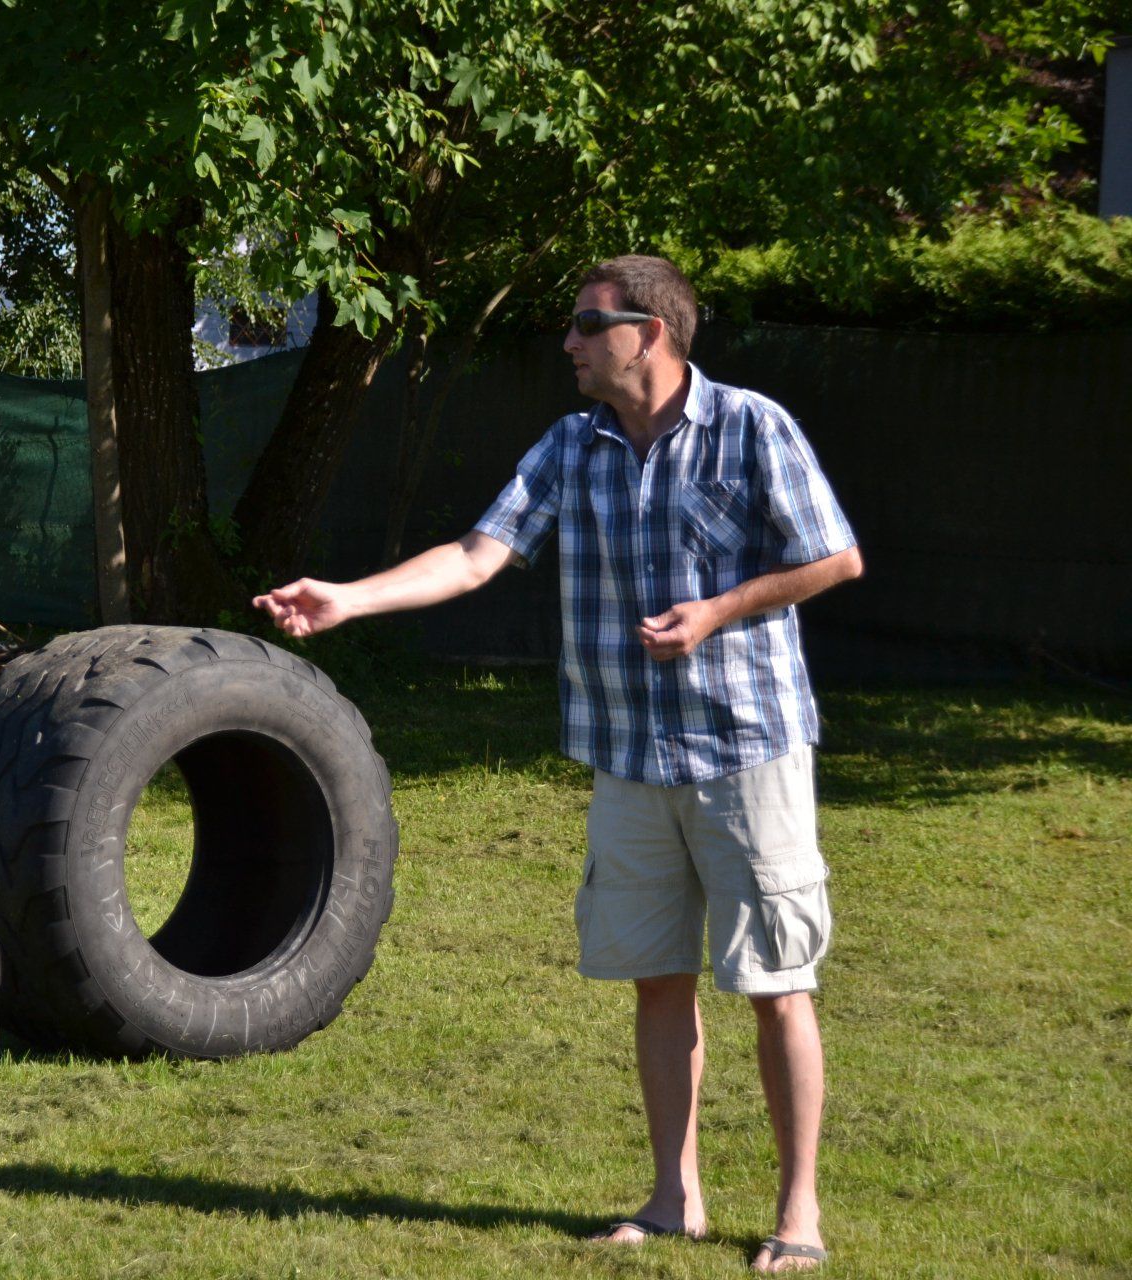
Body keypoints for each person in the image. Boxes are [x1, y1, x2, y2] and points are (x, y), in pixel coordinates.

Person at [254, 254, 862, 1274]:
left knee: (776, 982)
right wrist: (348, 596)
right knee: (657, 982)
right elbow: (477, 553)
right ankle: (675, 1199)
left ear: (650, 333)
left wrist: (719, 609)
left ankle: (798, 1213)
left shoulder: (753, 425)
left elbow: (835, 556)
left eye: (588, 324)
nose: (569, 343)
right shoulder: (571, 446)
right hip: (628, 756)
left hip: (746, 747)